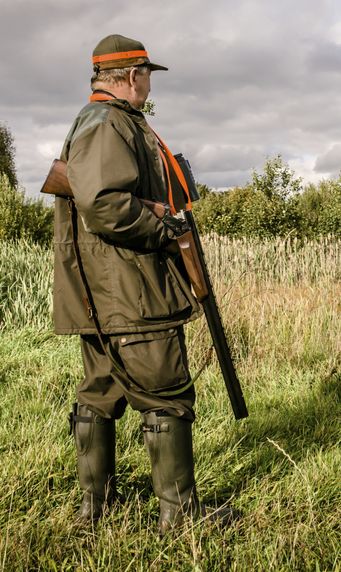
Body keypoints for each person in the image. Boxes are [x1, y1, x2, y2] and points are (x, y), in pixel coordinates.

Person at [53, 34, 236, 530]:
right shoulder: (110, 122)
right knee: (167, 394)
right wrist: (164, 229)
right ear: (132, 76)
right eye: (148, 74)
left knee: (100, 392)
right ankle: (180, 515)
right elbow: (104, 203)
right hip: (131, 291)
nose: (151, 83)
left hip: (103, 295)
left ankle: (96, 510)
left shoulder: (101, 119)